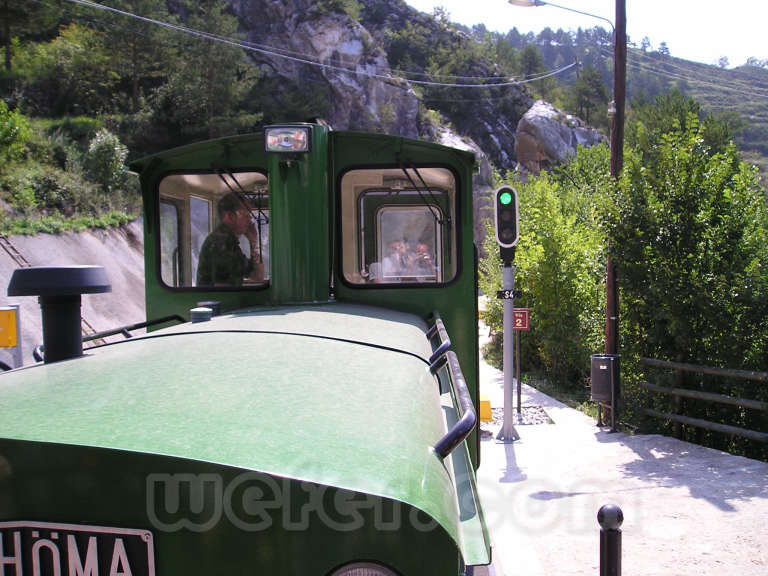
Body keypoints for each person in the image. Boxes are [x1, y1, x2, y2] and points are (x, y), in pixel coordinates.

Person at [196, 192, 264, 286]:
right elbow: (222, 288)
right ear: (230, 216)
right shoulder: (220, 242)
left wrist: (253, 242)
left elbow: (257, 276)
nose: (249, 219)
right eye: (245, 215)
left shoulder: (231, 243)